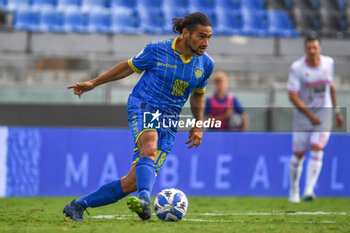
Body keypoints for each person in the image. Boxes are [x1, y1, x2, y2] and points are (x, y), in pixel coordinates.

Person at [63, 12, 214, 221]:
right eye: (201, 36)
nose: (206, 42)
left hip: (170, 120)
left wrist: (198, 124)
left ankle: (77, 206)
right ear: (185, 33)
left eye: (209, 37)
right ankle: (144, 200)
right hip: (145, 105)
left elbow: (199, 94)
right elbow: (128, 67)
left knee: (131, 182)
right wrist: (93, 83)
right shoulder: (157, 49)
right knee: (149, 147)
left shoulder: (206, 64)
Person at [287, 35, 343, 203]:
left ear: (320, 49)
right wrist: (310, 116)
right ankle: (294, 190)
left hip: (323, 113)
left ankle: (309, 189)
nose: (312, 51)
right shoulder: (297, 68)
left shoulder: (328, 64)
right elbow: (292, 95)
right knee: (299, 154)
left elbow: (331, 88)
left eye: (315, 48)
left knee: (317, 147)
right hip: (304, 115)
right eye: (309, 48)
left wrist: (337, 111)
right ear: (305, 49)